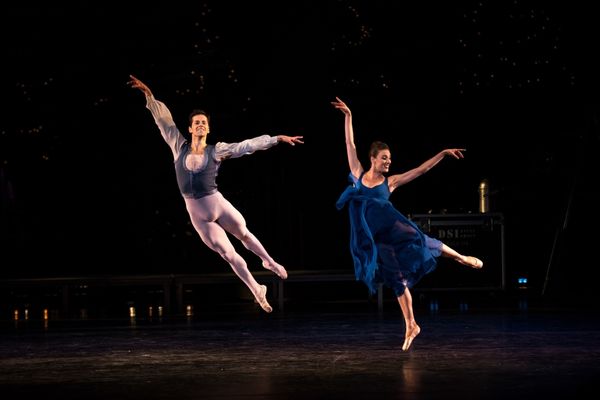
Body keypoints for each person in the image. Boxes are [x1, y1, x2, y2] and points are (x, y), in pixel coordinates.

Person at [128, 74, 304, 313]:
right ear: (190, 128)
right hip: (198, 215)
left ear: (208, 128)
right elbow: (164, 122)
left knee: (243, 233)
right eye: (196, 122)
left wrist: (276, 139)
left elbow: (245, 146)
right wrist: (149, 96)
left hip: (217, 204)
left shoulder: (217, 150)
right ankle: (256, 289)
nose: (200, 124)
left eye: (204, 122)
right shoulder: (178, 146)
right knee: (228, 254)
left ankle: (269, 261)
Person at [331, 96, 483, 350]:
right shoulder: (357, 174)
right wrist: (349, 116)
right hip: (378, 240)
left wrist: (442, 154)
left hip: (394, 229)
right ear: (373, 158)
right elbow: (350, 143)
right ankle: (411, 324)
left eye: (390, 158)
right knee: (396, 280)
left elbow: (420, 170)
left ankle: (461, 257)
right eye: (384, 158)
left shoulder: (390, 182)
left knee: (422, 241)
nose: (389, 162)